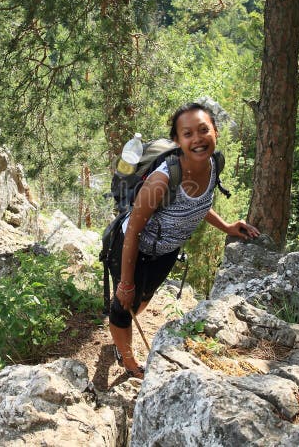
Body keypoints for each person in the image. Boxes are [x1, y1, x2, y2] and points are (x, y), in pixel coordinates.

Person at [107, 102, 260, 379]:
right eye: (188, 134)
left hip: (165, 251)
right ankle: (128, 362)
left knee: (143, 299)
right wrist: (126, 282)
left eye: (204, 130)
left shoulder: (214, 164)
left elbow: (199, 204)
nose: (198, 139)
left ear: (216, 132)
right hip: (134, 247)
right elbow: (133, 232)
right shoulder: (162, 180)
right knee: (122, 306)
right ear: (178, 141)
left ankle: (123, 332)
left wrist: (226, 226)